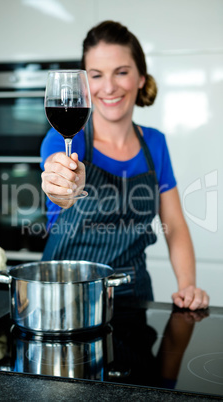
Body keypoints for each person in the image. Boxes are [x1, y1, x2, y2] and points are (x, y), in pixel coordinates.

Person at [40, 20, 209, 310]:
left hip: (133, 295)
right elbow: (60, 188)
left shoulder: (154, 143)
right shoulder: (65, 140)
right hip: (64, 298)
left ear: (141, 77)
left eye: (121, 72)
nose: (109, 87)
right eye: (96, 75)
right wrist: (64, 185)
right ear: (85, 84)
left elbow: (175, 225)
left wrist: (187, 285)